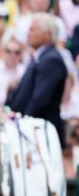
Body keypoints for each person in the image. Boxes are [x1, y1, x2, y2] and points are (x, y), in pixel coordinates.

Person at [6, 13, 69, 145]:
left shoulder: (51, 60)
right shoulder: (40, 57)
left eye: (33, 29)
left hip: (40, 132)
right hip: (32, 129)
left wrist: (24, 123)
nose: (29, 33)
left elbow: (40, 99)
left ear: (48, 35)